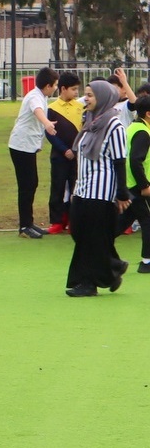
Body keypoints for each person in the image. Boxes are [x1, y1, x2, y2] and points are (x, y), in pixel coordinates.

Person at [65, 80, 131, 297]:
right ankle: (112, 266)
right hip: (83, 189)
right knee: (78, 231)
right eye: (86, 95)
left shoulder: (114, 125)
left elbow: (120, 160)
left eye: (91, 95)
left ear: (102, 97)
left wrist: (121, 193)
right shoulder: (91, 122)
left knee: (90, 238)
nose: (86, 99)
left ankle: (88, 283)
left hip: (100, 192)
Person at [7, 67, 59, 239]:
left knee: (31, 183)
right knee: (27, 185)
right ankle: (24, 226)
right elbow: (37, 111)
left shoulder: (41, 96)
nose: (56, 88)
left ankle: (28, 223)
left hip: (27, 146)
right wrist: (47, 124)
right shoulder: (35, 97)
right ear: (47, 85)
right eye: (55, 85)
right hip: (20, 146)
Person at [45, 71, 82, 234]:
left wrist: (74, 150)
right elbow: (49, 133)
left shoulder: (81, 108)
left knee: (77, 188)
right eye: (73, 89)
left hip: (77, 156)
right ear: (63, 89)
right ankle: (57, 221)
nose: (76, 93)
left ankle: (74, 220)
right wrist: (64, 149)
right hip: (59, 156)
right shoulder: (51, 108)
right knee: (57, 188)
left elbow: (84, 131)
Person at [116, 96, 150, 272]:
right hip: (138, 186)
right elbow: (136, 161)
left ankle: (97, 245)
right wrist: (144, 186)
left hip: (130, 184)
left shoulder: (134, 127)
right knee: (147, 219)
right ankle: (147, 262)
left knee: (122, 222)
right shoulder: (142, 133)